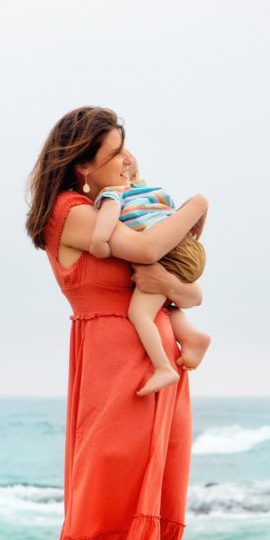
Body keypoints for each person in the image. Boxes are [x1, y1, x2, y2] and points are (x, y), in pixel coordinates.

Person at [26, 106, 204, 540]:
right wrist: (195, 211)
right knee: (102, 499)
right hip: (112, 365)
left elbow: (186, 289)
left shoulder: (111, 206)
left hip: (164, 365)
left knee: (162, 495)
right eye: (113, 154)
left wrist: (176, 286)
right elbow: (153, 247)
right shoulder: (70, 214)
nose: (126, 162)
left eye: (127, 147)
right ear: (81, 165)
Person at [88, 150, 211, 395]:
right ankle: (192, 336)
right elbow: (175, 214)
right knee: (163, 305)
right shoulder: (149, 190)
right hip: (189, 247)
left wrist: (99, 243)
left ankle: (163, 368)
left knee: (139, 314)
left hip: (168, 254)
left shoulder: (112, 193)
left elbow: (109, 217)